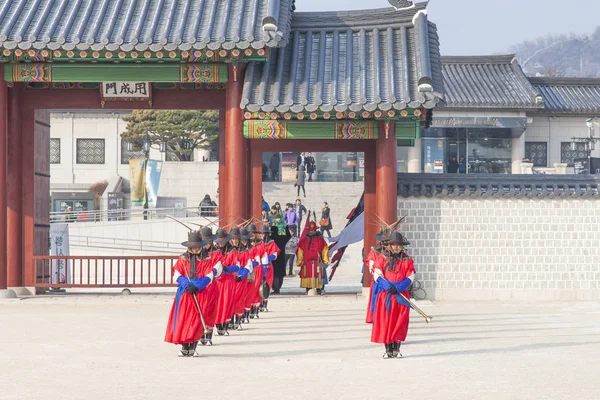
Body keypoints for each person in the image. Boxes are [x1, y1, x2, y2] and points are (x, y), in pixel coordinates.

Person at [164, 229, 220, 357]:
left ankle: (193, 346)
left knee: (196, 321)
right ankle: (185, 347)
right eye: (192, 248)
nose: (195, 250)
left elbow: (210, 275)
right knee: (184, 320)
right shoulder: (182, 259)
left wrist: (197, 285)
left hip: (200, 293)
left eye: (197, 247)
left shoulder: (207, 259)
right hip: (185, 293)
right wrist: (185, 283)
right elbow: (176, 274)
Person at [369, 231, 415, 359]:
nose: (396, 247)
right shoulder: (382, 258)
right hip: (386, 295)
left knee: (399, 322)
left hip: (401, 296)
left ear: (401, 246)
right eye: (394, 244)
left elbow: (410, 276)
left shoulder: (407, 260)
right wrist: (388, 287)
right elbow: (377, 274)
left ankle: (397, 349)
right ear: (390, 245)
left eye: (398, 245)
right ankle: (388, 350)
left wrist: (399, 287)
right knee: (386, 322)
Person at [296, 221, 330, 295]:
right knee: (307, 274)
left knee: (318, 275)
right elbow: (300, 251)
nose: (312, 232)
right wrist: (299, 261)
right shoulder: (303, 241)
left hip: (318, 262)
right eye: (310, 231)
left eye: (313, 230)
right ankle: (308, 288)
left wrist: (325, 260)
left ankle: (319, 288)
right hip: (306, 262)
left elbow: (325, 249)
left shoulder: (320, 240)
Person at [271, 226, 290, 294]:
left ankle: (275, 288)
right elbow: (288, 236)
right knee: (280, 274)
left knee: (275, 273)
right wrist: (286, 229)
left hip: (272, 259)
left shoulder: (270, 239)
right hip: (281, 257)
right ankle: (278, 288)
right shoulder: (281, 238)